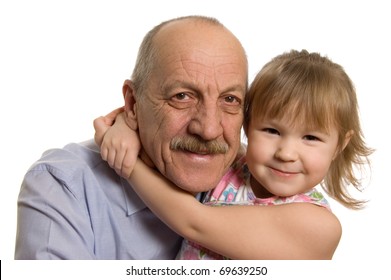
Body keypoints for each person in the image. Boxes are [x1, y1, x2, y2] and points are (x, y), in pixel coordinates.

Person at [94, 49, 373, 259]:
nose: (287, 153)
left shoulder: (318, 226)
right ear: (247, 125)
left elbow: (194, 223)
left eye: (311, 137)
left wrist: (126, 164)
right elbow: (166, 137)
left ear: (339, 145)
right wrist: (125, 127)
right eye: (272, 131)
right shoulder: (233, 168)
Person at [14, 15, 248, 259]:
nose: (209, 130)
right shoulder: (65, 187)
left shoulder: (260, 181)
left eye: (230, 100)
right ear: (133, 103)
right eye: (182, 96)